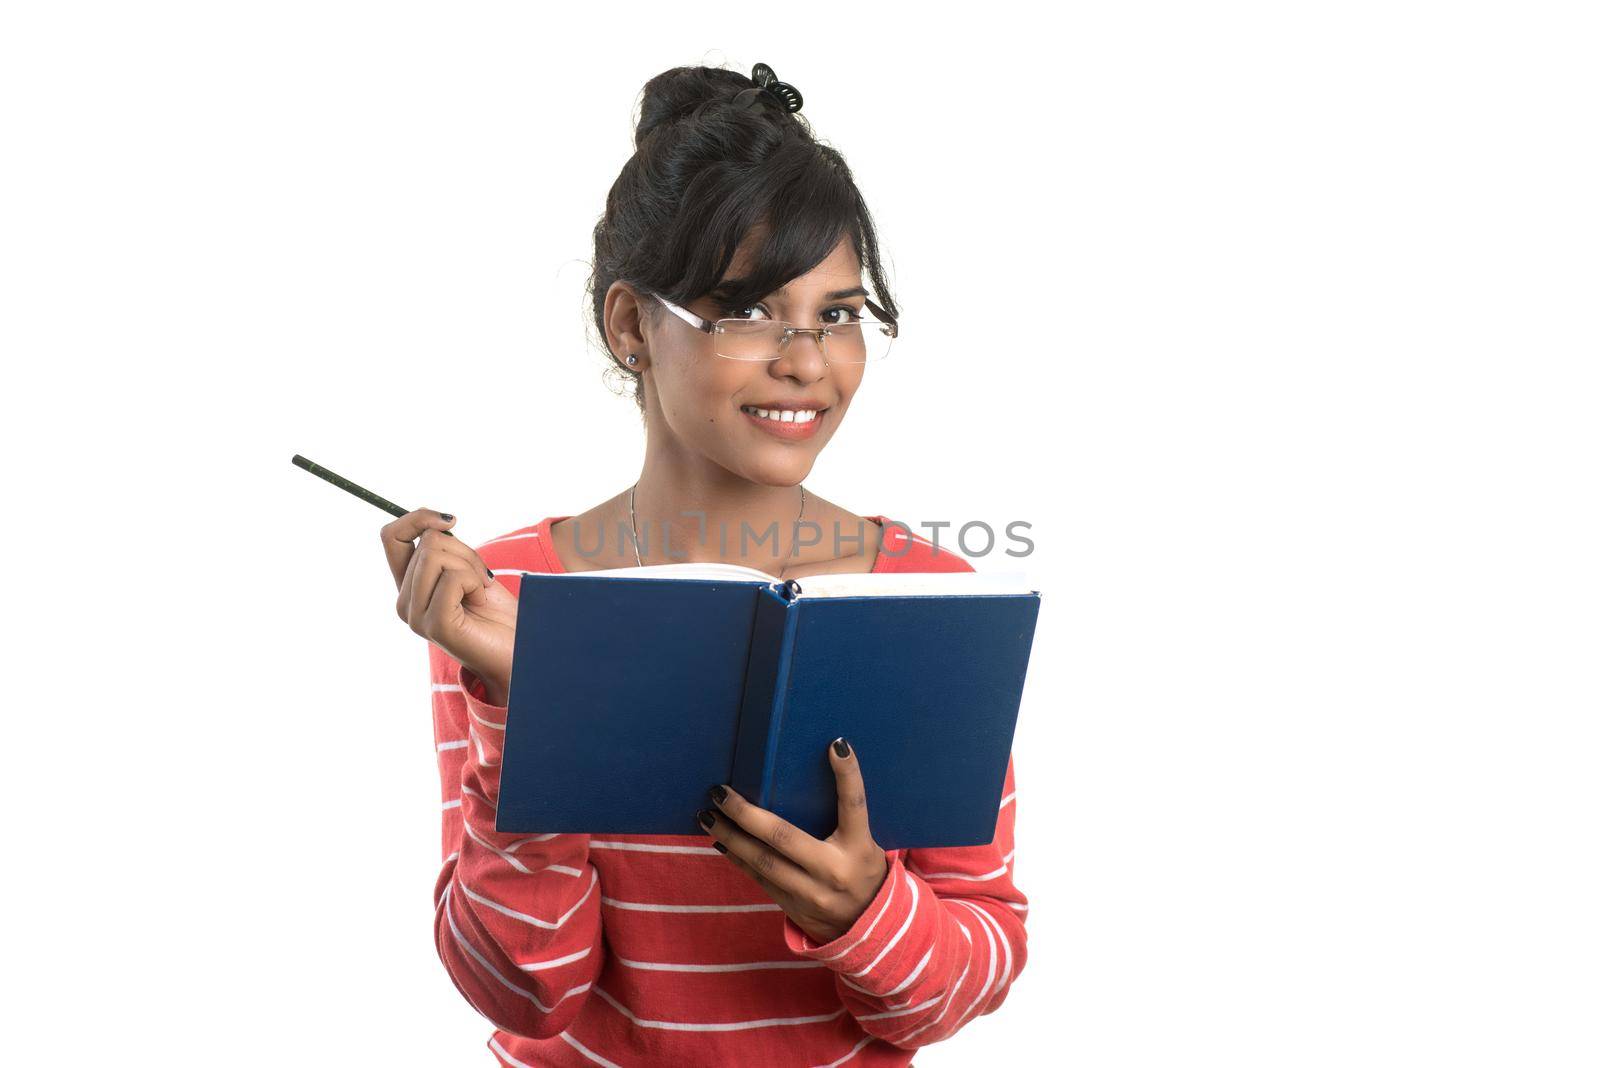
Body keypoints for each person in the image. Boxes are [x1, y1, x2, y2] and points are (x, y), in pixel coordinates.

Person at [380, 62, 1029, 1067]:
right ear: (634, 325)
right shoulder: (506, 599)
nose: (807, 361)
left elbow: (969, 971)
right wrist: (527, 706)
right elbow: (519, 990)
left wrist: (867, 911)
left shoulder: (930, 596)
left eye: (839, 314)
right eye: (747, 312)